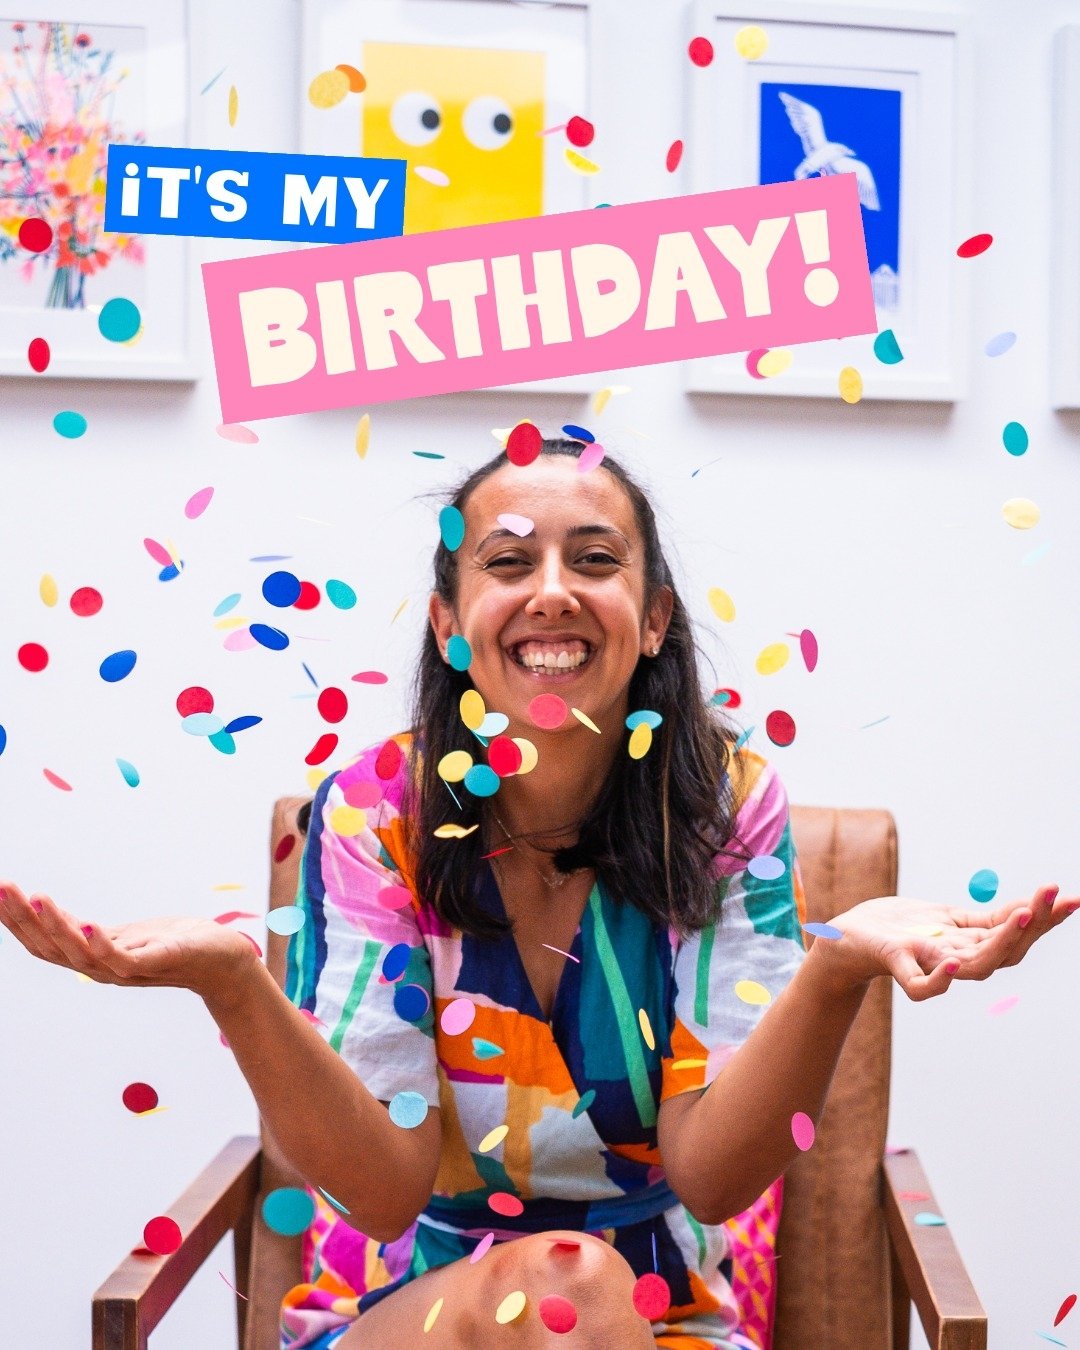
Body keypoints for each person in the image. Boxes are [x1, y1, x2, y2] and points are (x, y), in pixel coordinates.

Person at [1, 437, 1073, 1350]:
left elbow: (711, 1178)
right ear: (449, 624)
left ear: (652, 619)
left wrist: (836, 969)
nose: (552, 590)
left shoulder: (727, 808)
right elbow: (384, 1193)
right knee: (564, 1289)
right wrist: (235, 986)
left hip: (665, 1314)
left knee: (580, 1293)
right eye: (508, 561)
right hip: (399, 1308)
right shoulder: (375, 814)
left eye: (594, 559)